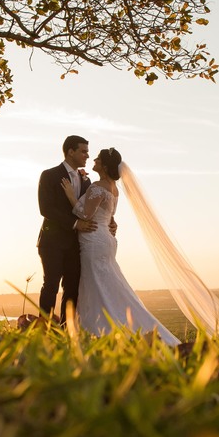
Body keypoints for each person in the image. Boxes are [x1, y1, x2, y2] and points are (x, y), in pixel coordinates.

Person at [61, 147, 178, 345]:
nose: (94, 159)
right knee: (107, 283)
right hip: (105, 238)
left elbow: (85, 214)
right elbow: (108, 215)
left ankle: (99, 330)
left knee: (95, 284)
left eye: (98, 158)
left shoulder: (98, 186)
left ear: (104, 166)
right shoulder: (114, 189)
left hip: (94, 241)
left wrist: (72, 196)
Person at [36, 135, 96, 324]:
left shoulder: (86, 180)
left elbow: (91, 209)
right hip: (52, 241)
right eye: (83, 151)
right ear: (71, 151)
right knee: (51, 285)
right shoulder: (49, 175)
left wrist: (110, 221)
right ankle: (44, 329)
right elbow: (45, 209)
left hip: (76, 243)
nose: (87, 155)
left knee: (72, 288)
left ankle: (66, 330)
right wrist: (75, 223)